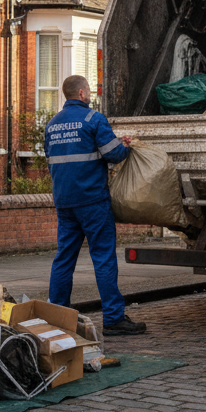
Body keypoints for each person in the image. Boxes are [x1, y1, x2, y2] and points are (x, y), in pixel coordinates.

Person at [44, 75, 147, 336]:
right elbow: (114, 154)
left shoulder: (52, 125)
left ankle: (57, 315)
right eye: (88, 91)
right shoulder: (93, 119)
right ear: (81, 93)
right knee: (102, 258)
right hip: (92, 201)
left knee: (64, 258)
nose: (90, 95)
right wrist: (124, 145)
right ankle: (113, 318)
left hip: (65, 203)